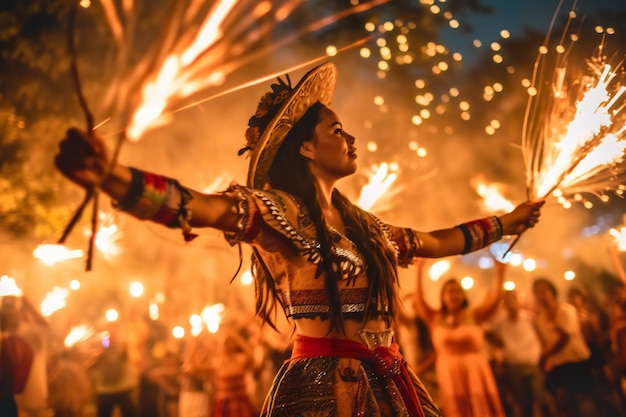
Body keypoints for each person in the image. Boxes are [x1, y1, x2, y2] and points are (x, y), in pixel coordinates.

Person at [54, 62, 544, 417]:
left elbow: (437, 242)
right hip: (322, 391)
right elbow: (201, 207)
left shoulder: (367, 227)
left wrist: (508, 222)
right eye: (337, 129)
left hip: (389, 383)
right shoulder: (279, 211)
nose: (350, 138)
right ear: (307, 147)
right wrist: (113, 177)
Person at [414, 257, 508, 417]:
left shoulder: (474, 315)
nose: (454, 295)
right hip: (448, 371)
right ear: (443, 297)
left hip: (476, 370)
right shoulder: (435, 318)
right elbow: (419, 301)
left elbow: (495, 301)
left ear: (464, 295)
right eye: (449, 291)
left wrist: (500, 274)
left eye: (457, 291)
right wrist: (419, 270)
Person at [532, 278, 595, 417]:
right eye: (537, 293)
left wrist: (546, 354)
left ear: (552, 292)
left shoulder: (567, 310)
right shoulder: (539, 318)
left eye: (543, 291)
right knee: (562, 400)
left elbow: (565, 338)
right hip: (558, 364)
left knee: (582, 400)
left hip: (576, 361)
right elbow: (543, 341)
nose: (540, 296)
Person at [489, 289, 546, 417]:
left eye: (513, 299)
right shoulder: (499, 323)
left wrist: (544, 355)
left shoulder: (528, 318)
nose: (511, 303)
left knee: (538, 400)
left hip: (532, 364)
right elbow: (493, 338)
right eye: (507, 300)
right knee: (521, 402)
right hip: (513, 366)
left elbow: (541, 336)